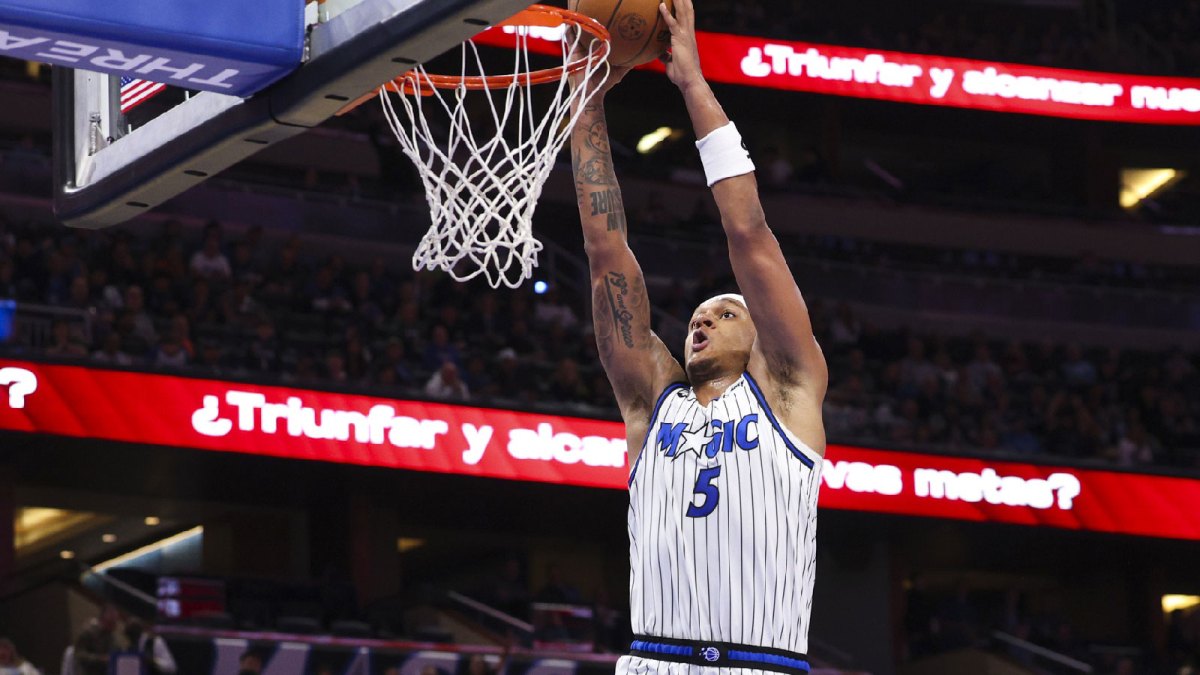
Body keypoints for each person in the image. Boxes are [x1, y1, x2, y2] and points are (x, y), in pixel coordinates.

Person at [568, 1, 827, 673]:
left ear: (762, 336)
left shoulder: (790, 390)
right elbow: (606, 250)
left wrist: (691, 84)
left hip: (758, 662)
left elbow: (749, 234)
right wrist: (585, 100)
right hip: (651, 661)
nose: (701, 320)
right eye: (697, 317)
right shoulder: (654, 403)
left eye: (723, 313)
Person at [74, 605, 120, 675]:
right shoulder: (88, 633)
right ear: (103, 620)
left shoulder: (111, 636)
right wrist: (100, 659)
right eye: (112, 622)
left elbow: (116, 650)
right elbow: (80, 655)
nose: (115, 625)